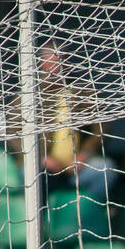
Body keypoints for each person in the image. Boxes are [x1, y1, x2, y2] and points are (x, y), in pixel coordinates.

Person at [37, 43, 113, 201]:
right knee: (32, 176)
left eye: (60, 60)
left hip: (78, 165)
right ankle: (43, 220)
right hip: (44, 165)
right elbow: (14, 131)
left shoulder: (82, 91)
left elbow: (102, 127)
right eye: (52, 60)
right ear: (43, 63)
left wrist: (85, 154)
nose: (57, 65)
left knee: (106, 169)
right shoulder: (31, 93)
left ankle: (89, 213)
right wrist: (41, 157)